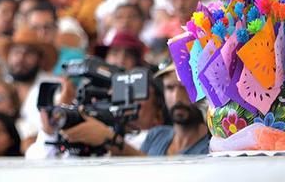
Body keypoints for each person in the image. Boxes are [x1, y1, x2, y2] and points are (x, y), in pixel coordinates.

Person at [62, 64, 209, 156]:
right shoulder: (157, 135)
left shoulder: (212, 146)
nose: (177, 97)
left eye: (185, 87)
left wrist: (109, 140)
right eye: (170, 88)